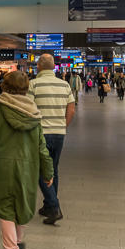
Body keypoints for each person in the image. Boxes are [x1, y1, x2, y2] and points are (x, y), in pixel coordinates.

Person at [0, 70, 53, 249]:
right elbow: (41, 147)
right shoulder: (34, 111)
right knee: (21, 204)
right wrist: (48, 170)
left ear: (4, 86)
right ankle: (17, 242)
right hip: (27, 168)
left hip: (1, 167)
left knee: (5, 209)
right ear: (26, 88)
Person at [29, 55, 75, 226]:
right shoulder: (65, 85)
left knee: (41, 170)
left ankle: (54, 207)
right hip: (59, 134)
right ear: (54, 67)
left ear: (39, 66)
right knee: (53, 169)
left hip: (41, 134)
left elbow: (28, 110)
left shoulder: (33, 84)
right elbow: (71, 110)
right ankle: (48, 205)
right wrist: (62, 126)